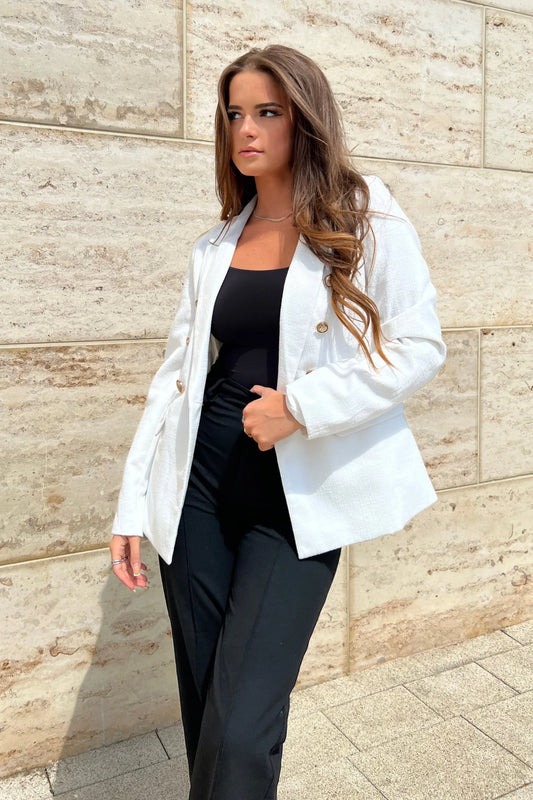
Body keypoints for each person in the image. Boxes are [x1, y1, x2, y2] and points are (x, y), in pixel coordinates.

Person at [109, 44, 446, 800]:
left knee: (240, 723)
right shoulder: (216, 244)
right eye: (234, 114)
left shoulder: (363, 211)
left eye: (268, 112)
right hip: (197, 487)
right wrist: (134, 503)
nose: (246, 130)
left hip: (295, 497)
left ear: (306, 118)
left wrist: (300, 406)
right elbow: (173, 380)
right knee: (211, 708)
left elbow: (420, 345)